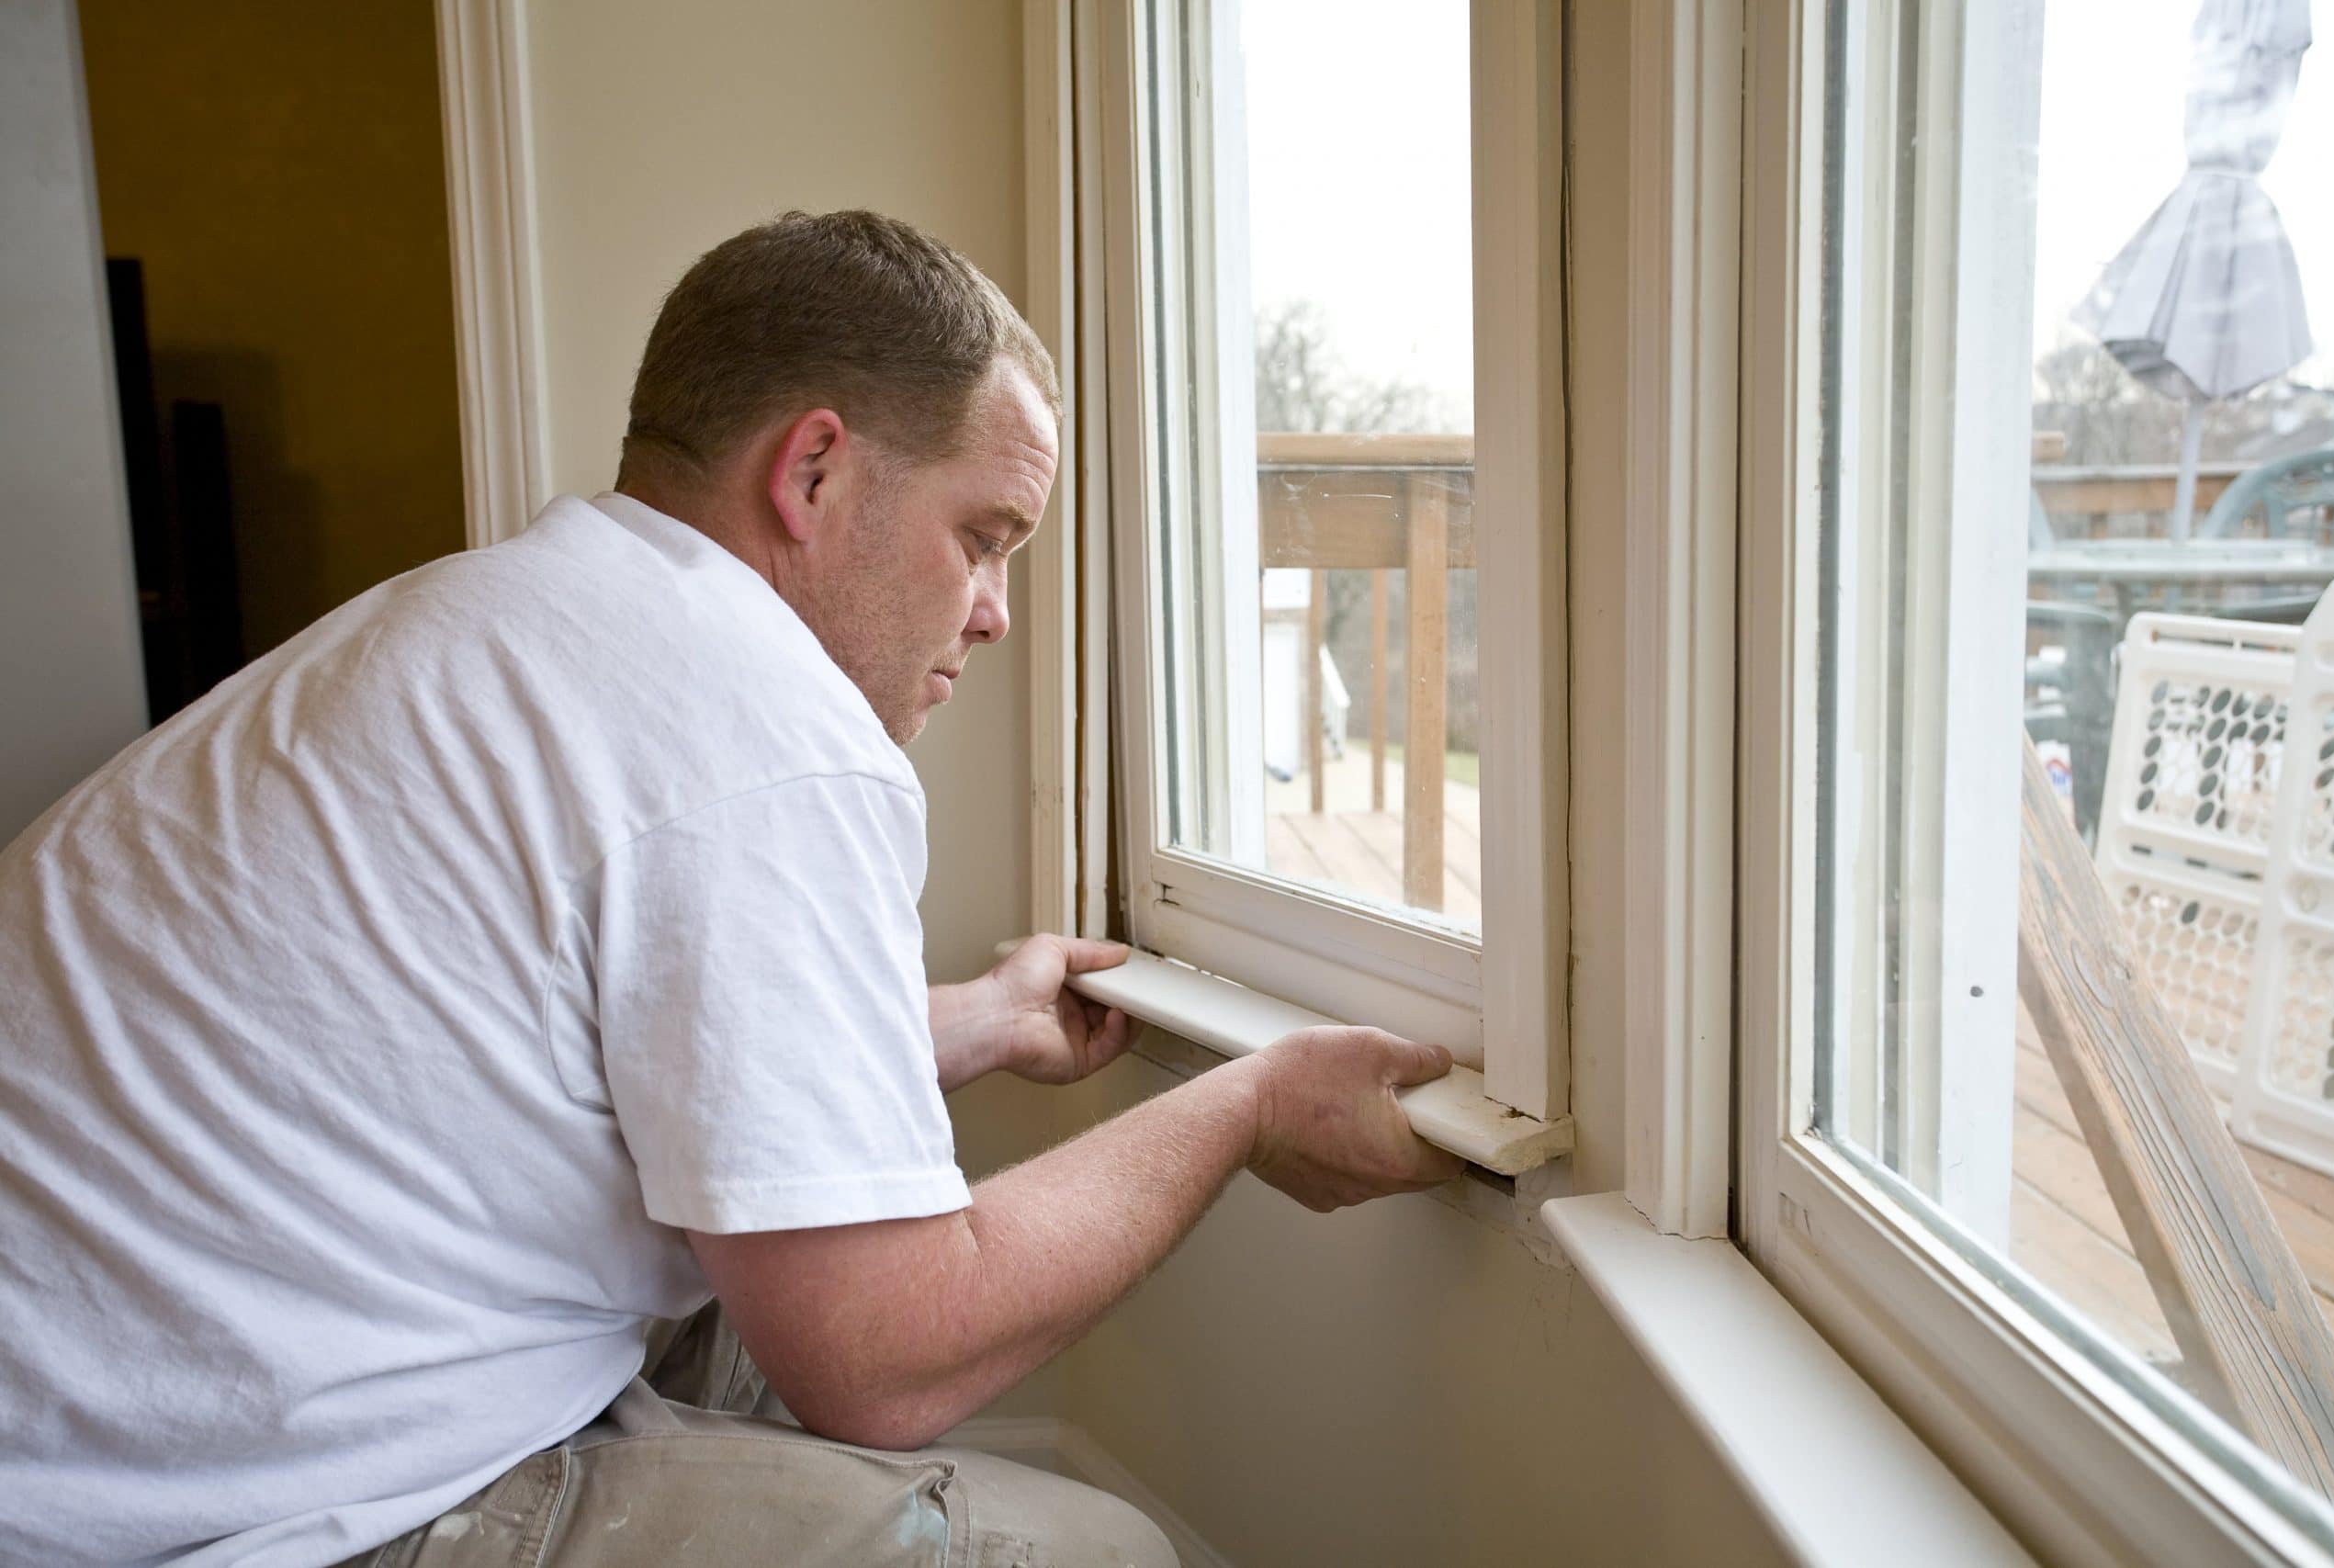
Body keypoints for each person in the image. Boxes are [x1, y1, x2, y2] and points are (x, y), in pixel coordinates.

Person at [0, 209, 1463, 1567]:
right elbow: (887, 1358)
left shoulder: (504, 623)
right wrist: (1247, 1105)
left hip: (110, 1418)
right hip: (190, 1513)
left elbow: (593, 1048)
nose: (998, 611)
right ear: (813, 471)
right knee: (1101, 1556)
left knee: (746, 1297)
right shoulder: (753, 733)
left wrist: (971, 1021)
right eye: (982, 537)